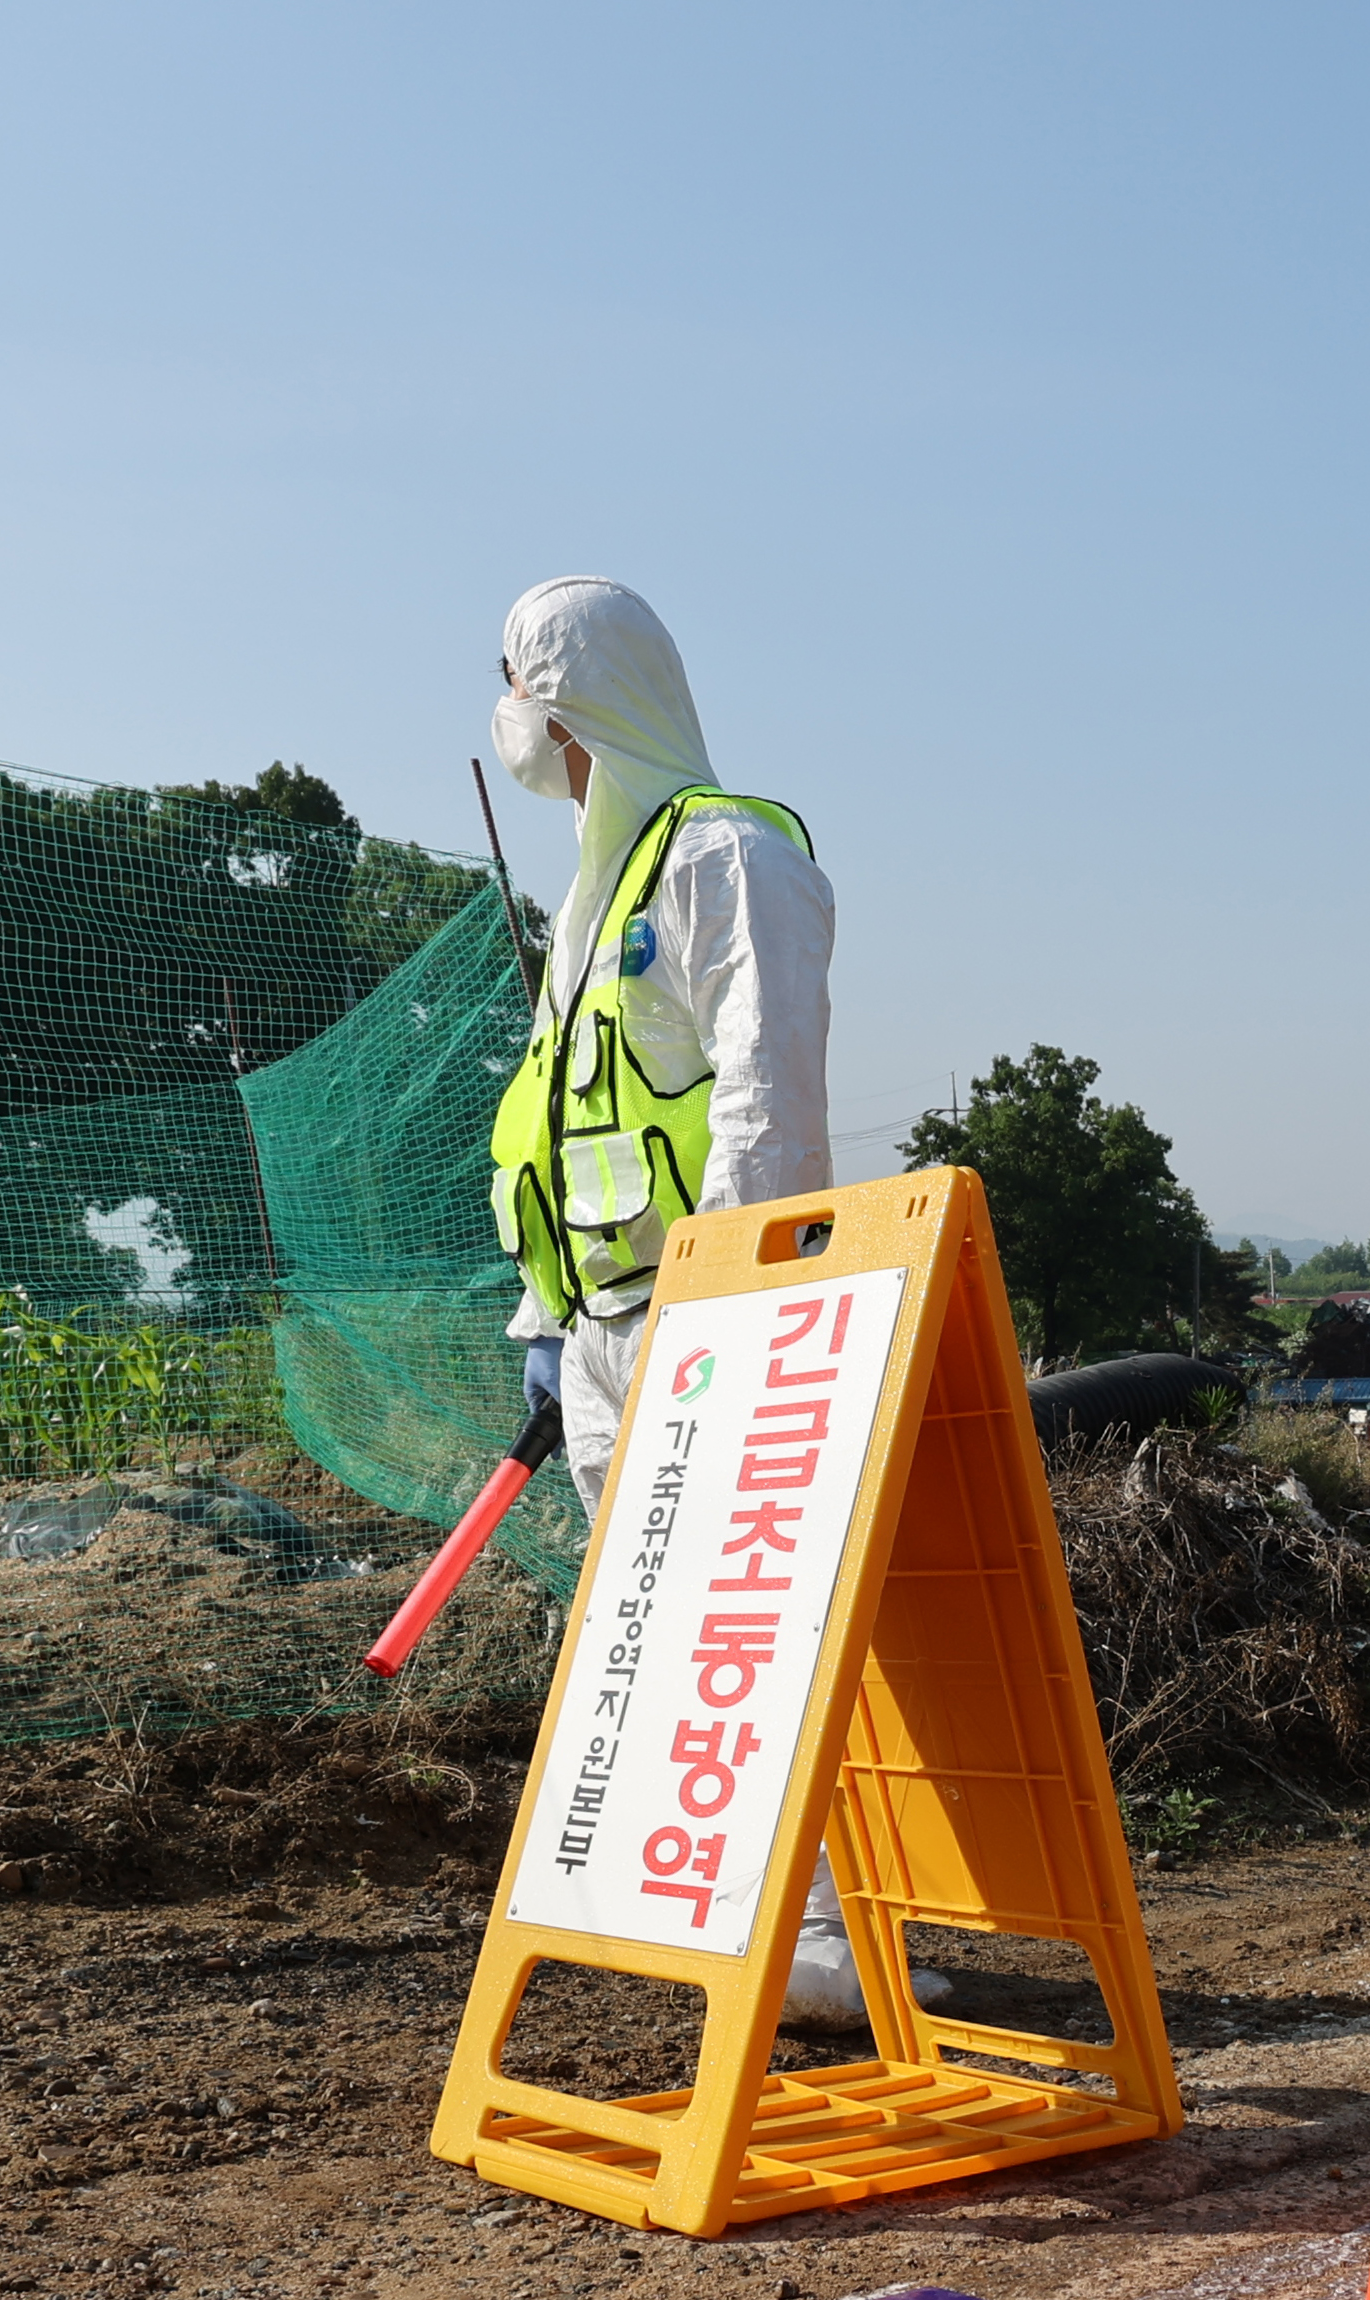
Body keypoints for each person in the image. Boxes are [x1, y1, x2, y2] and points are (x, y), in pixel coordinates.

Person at [483, 575, 911, 2026]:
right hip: (598, 1337)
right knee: (653, 1648)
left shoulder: (724, 859)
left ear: (573, 694)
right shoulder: (588, 903)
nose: (506, 719)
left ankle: (832, 1955)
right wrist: (543, 1325)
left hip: (706, 1328)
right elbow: (562, 1134)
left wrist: (731, 1309)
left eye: (515, 682)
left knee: (750, 1643)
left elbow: (767, 1098)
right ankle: (728, 1925)